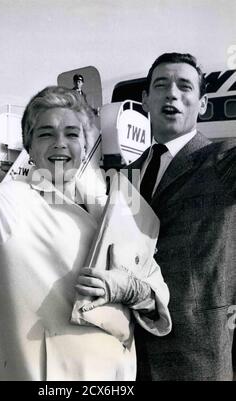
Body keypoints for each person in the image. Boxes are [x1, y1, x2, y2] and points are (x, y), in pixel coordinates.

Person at [0, 33, 171, 381]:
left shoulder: (125, 207)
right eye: (45, 133)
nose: (60, 144)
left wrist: (133, 290)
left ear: (87, 142)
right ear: (29, 147)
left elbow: (156, 294)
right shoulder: (12, 201)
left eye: (72, 134)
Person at [128, 52, 236, 381]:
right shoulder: (128, 173)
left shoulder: (223, 159)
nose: (172, 93)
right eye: (161, 85)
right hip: (130, 352)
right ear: (146, 99)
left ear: (202, 104)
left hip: (197, 354)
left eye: (185, 86)